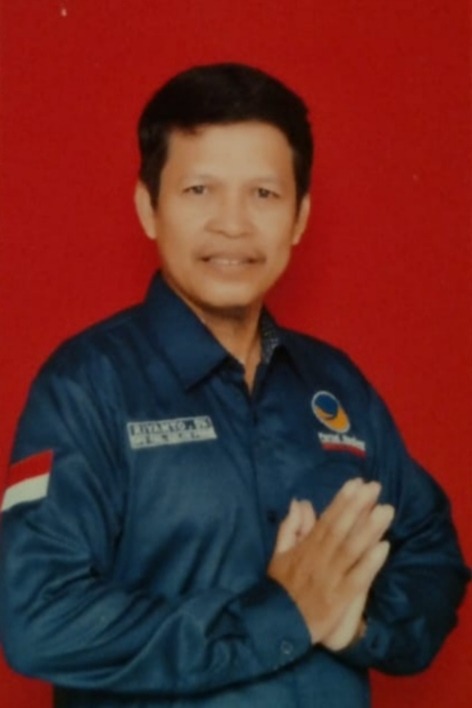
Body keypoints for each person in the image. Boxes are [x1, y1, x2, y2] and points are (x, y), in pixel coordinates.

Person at [0, 63, 468, 708]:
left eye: (264, 194)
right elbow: (37, 619)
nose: (233, 225)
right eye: (199, 190)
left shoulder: (335, 385)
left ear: (300, 217)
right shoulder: (86, 386)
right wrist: (283, 617)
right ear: (148, 207)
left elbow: (433, 551)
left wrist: (357, 625)